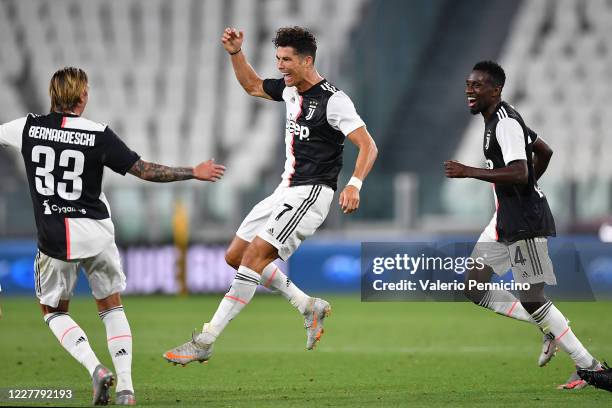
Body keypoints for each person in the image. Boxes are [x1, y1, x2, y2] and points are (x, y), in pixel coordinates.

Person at [0, 67, 225, 405]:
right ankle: (126, 388)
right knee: (110, 307)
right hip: (98, 234)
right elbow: (145, 170)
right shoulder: (98, 134)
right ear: (83, 96)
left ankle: (95, 368)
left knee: (54, 312)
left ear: (53, 95)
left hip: (56, 241)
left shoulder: (27, 128)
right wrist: (192, 171)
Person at [163, 26, 377, 365]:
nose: (281, 66)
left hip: (311, 193)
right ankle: (307, 305)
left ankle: (205, 339)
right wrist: (236, 53)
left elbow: (368, 145)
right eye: (278, 59)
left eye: (287, 60)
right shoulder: (291, 91)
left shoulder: (334, 101)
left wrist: (354, 184)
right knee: (235, 255)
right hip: (285, 189)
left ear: (308, 61)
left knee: (252, 260)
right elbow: (251, 85)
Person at [444, 60, 604, 389]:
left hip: (525, 221)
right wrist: (525, 188)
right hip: (505, 217)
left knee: (533, 297)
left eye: (477, 86)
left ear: (496, 90)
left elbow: (519, 171)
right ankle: (547, 329)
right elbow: (544, 151)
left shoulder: (504, 124)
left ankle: (591, 366)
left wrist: (470, 171)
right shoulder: (498, 118)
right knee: (474, 286)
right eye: (467, 85)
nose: (469, 91)